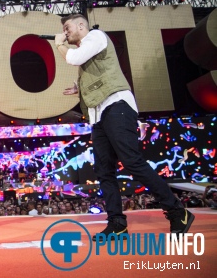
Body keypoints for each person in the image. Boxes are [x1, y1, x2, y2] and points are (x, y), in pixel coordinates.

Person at [54, 13, 194, 240]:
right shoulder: (89, 49)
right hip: (98, 115)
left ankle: (177, 210)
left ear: (81, 25)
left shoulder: (96, 36)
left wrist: (59, 44)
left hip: (116, 105)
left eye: (68, 27)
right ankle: (117, 223)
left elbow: (74, 58)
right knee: (104, 171)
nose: (66, 32)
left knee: (132, 161)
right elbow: (97, 72)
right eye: (64, 30)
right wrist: (80, 87)